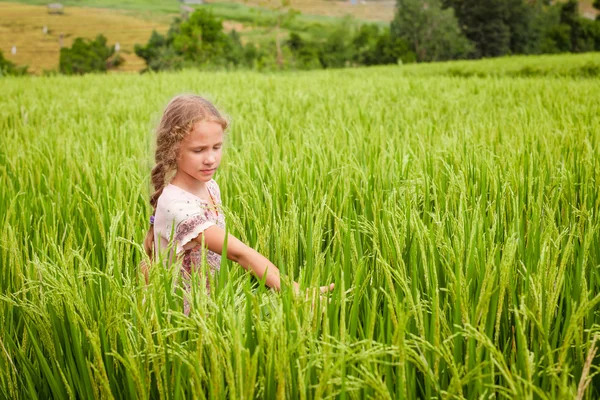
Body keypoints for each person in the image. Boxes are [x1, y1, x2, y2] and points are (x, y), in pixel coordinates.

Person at [141, 94, 335, 314]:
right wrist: (293, 290)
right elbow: (238, 253)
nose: (210, 159)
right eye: (199, 150)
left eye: (216, 147)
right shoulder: (176, 206)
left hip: (209, 303)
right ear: (172, 150)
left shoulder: (210, 187)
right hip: (176, 312)